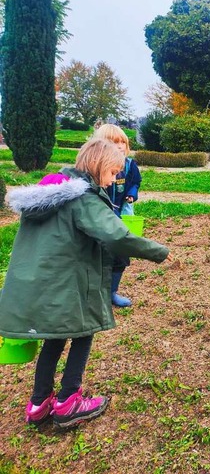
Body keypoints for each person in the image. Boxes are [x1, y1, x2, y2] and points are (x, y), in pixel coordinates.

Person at [0, 139, 171, 429]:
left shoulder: (50, 193)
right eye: (114, 171)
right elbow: (117, 236)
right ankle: (69, 400)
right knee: (84, 331)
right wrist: (160, 251)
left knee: (54, 338)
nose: (116, 177)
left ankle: (39, 403)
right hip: (67, 282)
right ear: (99, 165)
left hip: (44, 281)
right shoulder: (84, 199)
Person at [91, 124, 142, 308]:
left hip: (120, 216)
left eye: (123, 142)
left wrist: (132, 193)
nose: (120, 145)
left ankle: (111, 292)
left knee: (121, 254)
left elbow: (135, 182)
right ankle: (95, 292)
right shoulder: (93, 170)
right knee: (99, 256)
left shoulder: (129, 166)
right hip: (100, 219)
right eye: (115, 142)